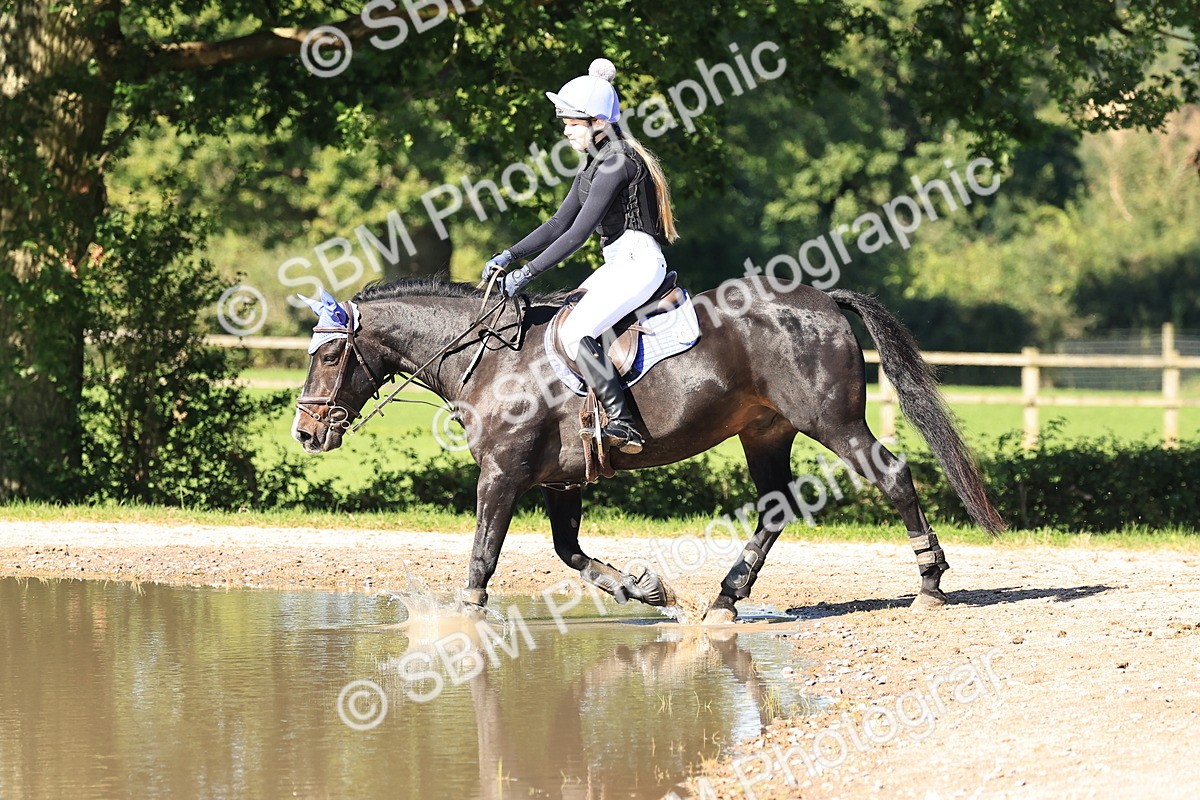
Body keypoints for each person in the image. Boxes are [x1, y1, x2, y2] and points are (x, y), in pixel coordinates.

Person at [482, 58, 680, 455]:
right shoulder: (595, 164)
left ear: (598, 123)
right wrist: (510, 254)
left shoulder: (617, 163)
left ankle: (624, 423)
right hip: (619, 263)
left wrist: (528, 274)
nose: (565, 130)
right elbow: (558, 222)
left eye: (572, 122)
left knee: (576, 334)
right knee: (564, 322)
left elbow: (578, 234)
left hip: (639, 263)